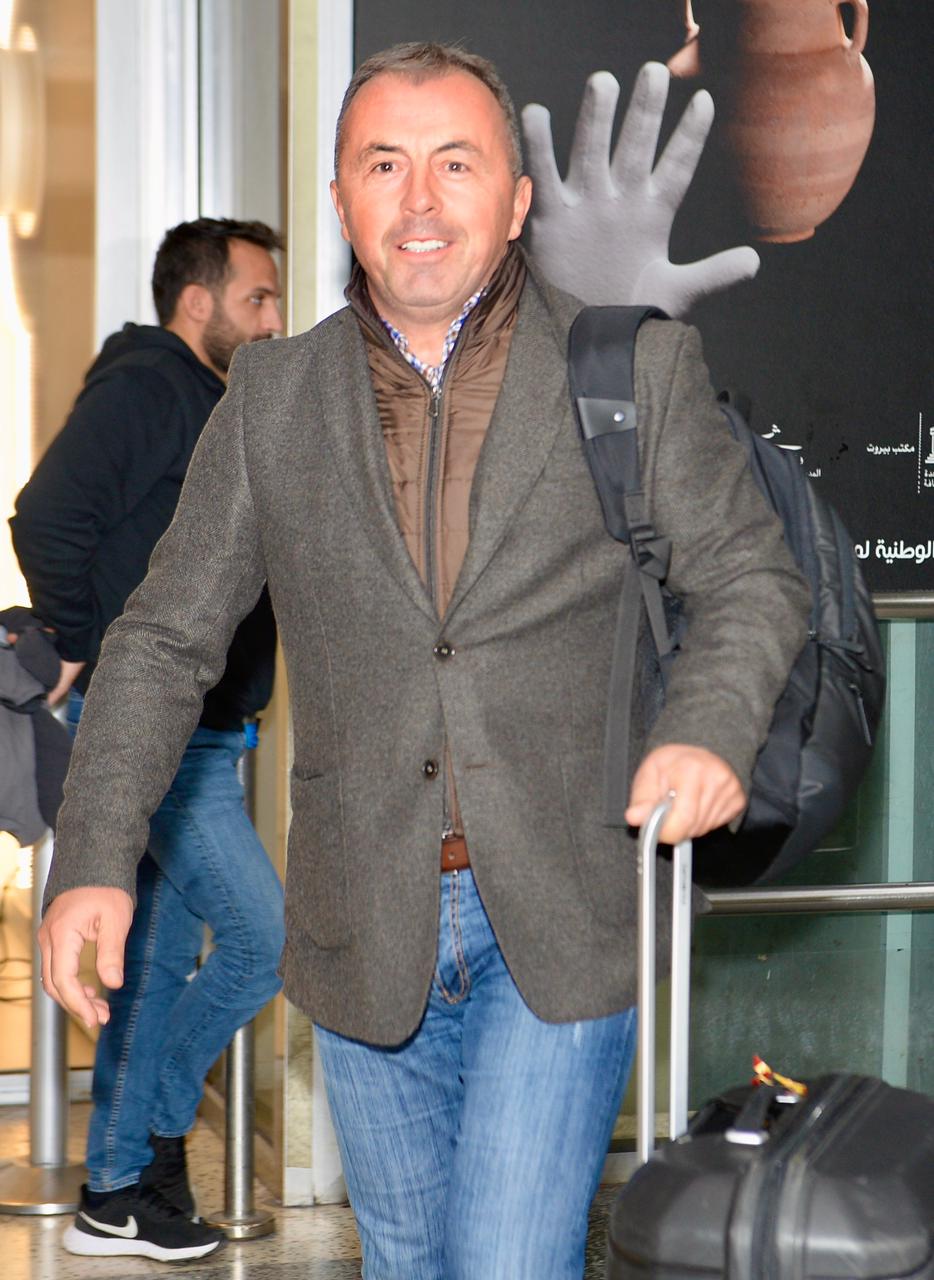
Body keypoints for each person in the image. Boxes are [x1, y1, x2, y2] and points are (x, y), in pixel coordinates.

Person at [36, 45, 810, 1278]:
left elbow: (750, 576)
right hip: (363, 915)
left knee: (505, 1258)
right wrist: (93, 855)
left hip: (563, 906)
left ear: (516, 198)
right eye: (383, 165)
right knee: (407, 1261)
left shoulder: (630, 369)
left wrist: (706, 729)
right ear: (341, 199)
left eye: (456, 163)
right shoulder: (273, 396)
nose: (419, 199)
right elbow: (165, 635)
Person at [11, 218, 286, 1264]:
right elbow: (46, 514)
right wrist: (82, 645)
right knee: (263, 941)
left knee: (157, 963)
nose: (274, 318)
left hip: (206, 734)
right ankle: (162, 1132)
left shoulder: (212, 399)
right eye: (257, 299)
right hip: (167, 742)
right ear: (197, 303)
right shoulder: (148, 389)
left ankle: (118, 1191)